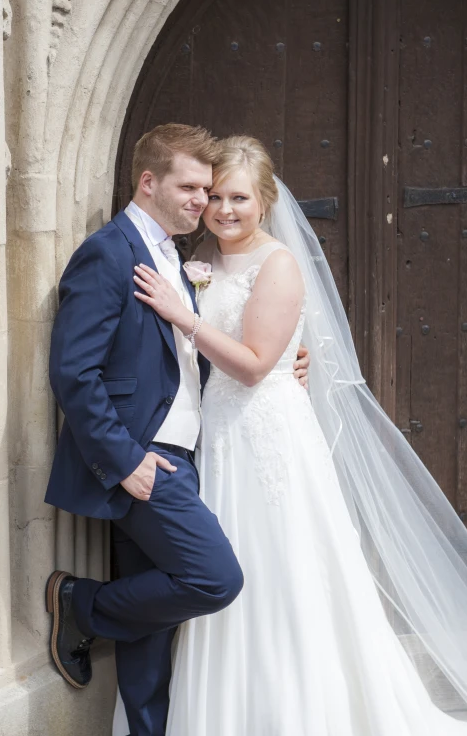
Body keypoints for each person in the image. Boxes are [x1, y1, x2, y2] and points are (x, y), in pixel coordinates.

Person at [126, 135, 467, 735]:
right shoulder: (198, 257)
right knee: (225, 567)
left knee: (280, 565)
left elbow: (256, 363)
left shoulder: (278, 263)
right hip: (219, 434)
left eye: (239, 198)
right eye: (214, 198)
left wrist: (185, 316)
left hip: (268, 437)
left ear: (264, 202)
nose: (224, 210)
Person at [43, 123, 311, 736]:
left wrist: (290, 356)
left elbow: (229, 345)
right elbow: (73, 372)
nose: (204, 201)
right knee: (215, 577)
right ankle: (80, 605)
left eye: (211, 189)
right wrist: (125, 459)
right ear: (148, 181)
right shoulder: (109, 252)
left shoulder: (182, 257)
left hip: (191, 449)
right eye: (191, 187)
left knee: (154, 615)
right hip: (144, 456)